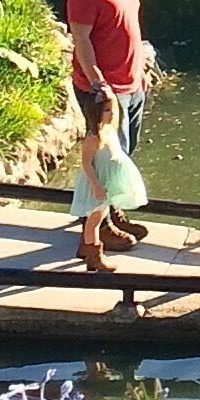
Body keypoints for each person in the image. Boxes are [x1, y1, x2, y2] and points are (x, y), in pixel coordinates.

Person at [65, 0, 150, 242]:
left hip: (132, 83)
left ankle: (113, 212)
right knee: (105, 160)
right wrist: (99, 83)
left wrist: (141, 68)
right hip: (104, 90)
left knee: (123, 155)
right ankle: (98, 231)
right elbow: (81, 40)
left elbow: (129, 25)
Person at [68, 82, 147, 274]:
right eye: (105, 110)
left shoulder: (109, 132)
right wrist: (96, 186)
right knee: (94, 220)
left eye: (112, 109)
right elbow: (86, 164)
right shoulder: (93, 138)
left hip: (107, 181)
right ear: (95, 112)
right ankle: (94, 254)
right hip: (97, 183)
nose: (111, 113)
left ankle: (90, 249)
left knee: (100, 215)